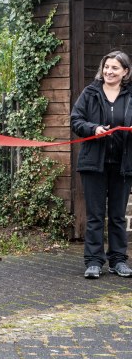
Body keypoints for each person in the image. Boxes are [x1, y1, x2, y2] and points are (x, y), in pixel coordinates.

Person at [71, 50, 132, 279]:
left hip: (123, 165)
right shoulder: (90, 93)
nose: (109, 71)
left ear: (125, 72)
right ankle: (94, 262)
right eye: (107, 67)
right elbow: (75, 120)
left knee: (117, 216)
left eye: (115, 68)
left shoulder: (130, 95)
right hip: (93, 165)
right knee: (95, 215)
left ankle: (118, 261)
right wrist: (92, 129)